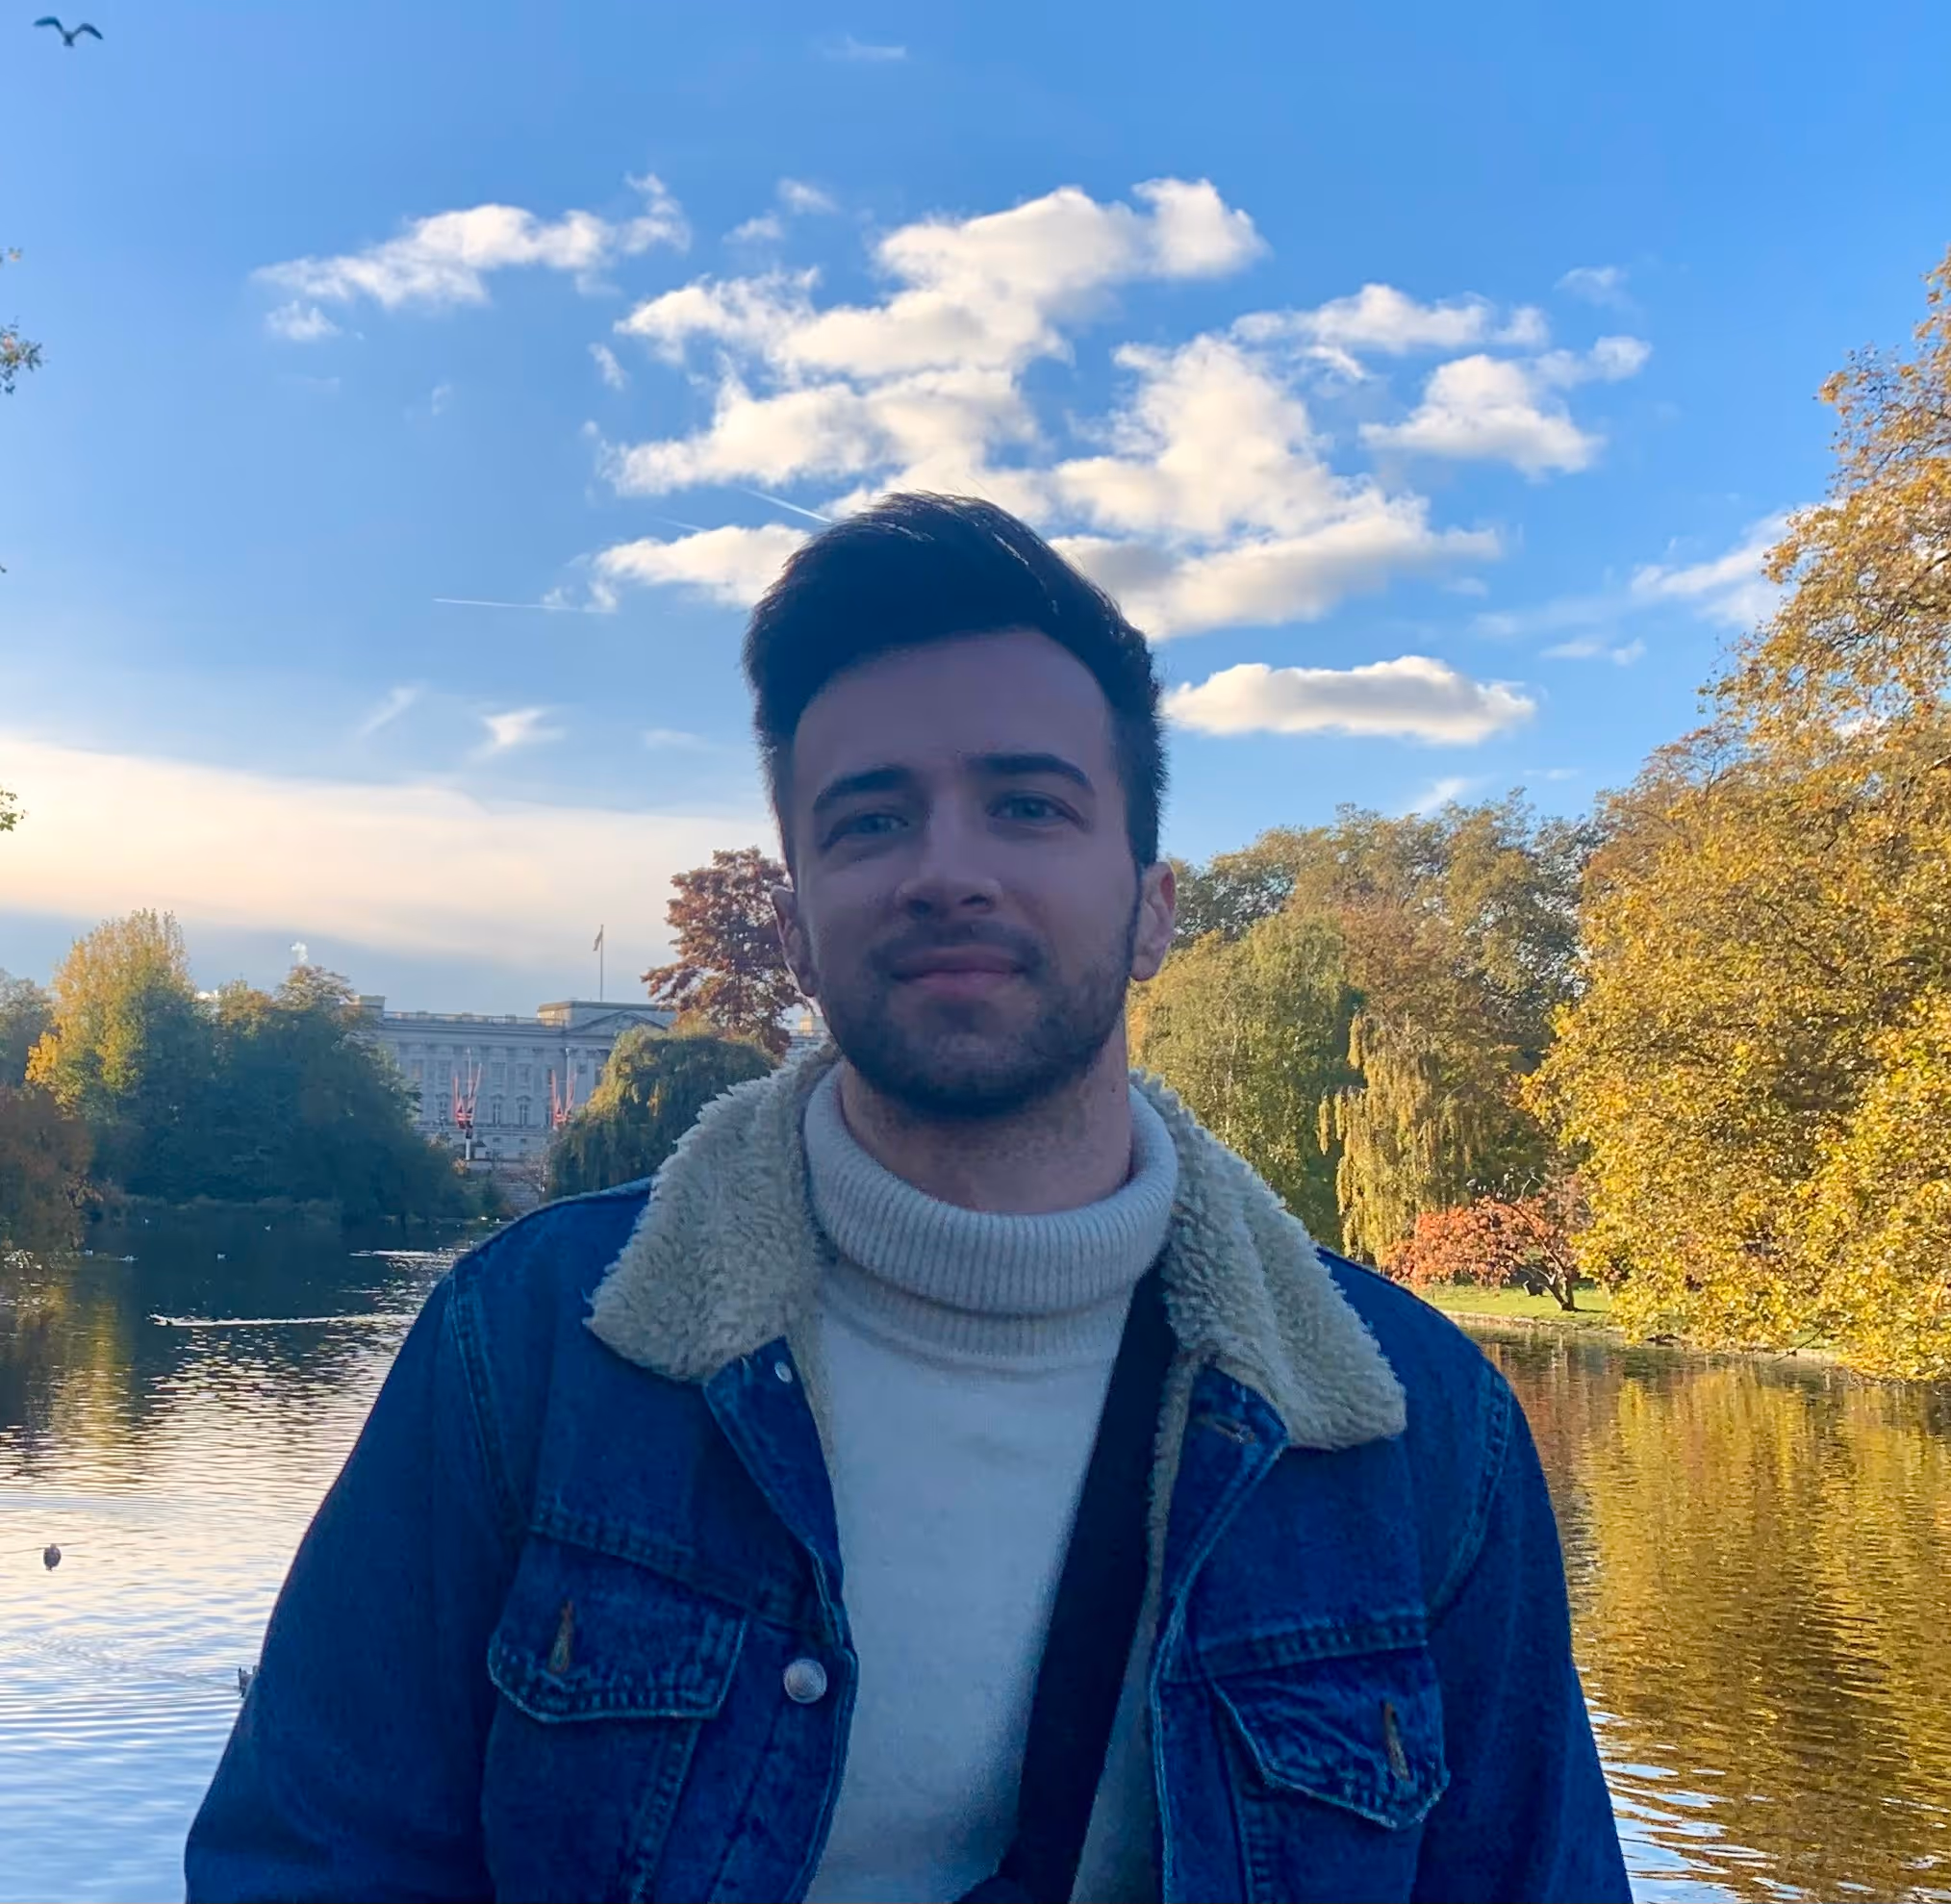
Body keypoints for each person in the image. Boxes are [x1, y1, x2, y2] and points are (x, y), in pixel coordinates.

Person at [187, 494, 1630, 1904]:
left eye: (1027, 805)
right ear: (801, 915)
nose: (948, 870)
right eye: (872, 820)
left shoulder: (1418, 1429)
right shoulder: (525, 1352)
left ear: (1152, 905)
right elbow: (307, 1860)